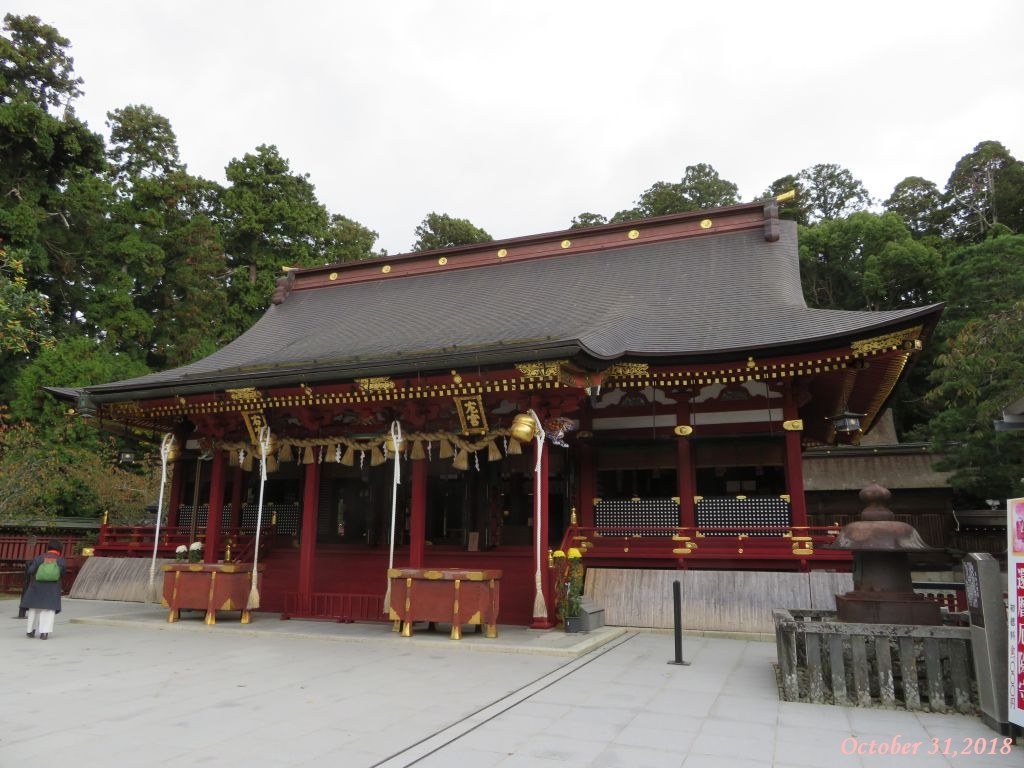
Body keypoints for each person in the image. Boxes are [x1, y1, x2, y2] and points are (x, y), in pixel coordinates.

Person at [23, 540, 66, 640]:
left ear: (48, 548)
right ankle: (44, 633)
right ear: (60, 549)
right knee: (48, 610)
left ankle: (30, 631)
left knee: (34, 609)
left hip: (36, 587)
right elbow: (63, 574)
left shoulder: (39, 558)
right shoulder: (60, 560)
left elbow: (30, 571)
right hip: (52, 589)